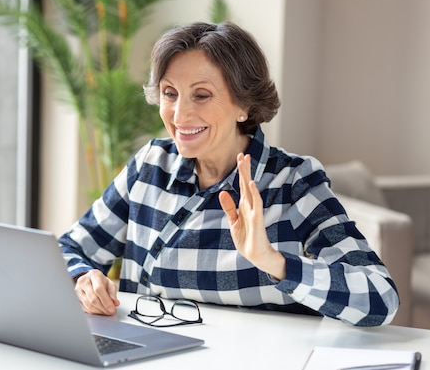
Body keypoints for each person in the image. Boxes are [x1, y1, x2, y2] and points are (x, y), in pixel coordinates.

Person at [59, 21, 399, 326]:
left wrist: (276, 263)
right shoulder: (151, 165)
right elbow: (70, 248)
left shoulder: (292, 183)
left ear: (244, 105)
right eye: (169, 93)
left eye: (202, 95)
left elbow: (380, 298)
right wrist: (83, 277)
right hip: (148, 366)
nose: (180, 114)